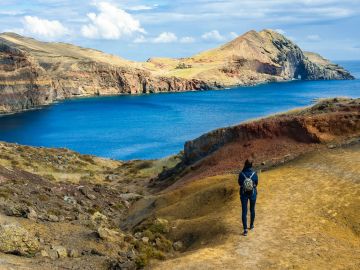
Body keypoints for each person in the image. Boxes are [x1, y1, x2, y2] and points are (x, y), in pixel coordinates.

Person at [238, 159, 258, 236]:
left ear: (245, 164)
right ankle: (251, 226)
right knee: (252, 209)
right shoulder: (254, 173)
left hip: (244, 194)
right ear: (251, 165)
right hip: (253, 193)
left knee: (244, 211)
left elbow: (239, 183)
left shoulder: (241, 174)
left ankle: (245, 230)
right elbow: (256, 183)